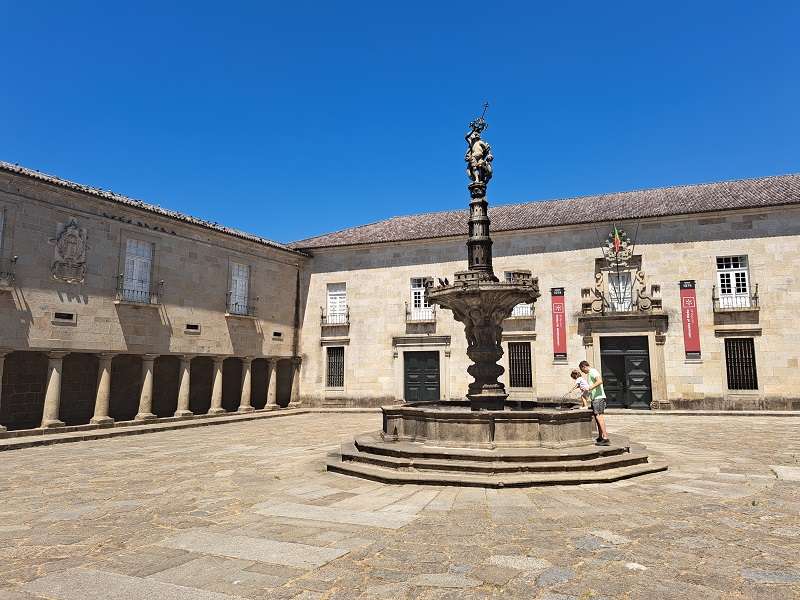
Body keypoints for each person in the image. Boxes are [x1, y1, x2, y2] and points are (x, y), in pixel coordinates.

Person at [579, 360, 610, 445]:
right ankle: (600, 437)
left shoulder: (593, 371)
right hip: (595, 398)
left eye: (583, 370)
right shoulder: (589, 374)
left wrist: (589, 387)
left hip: (598, 398)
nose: (583, 372)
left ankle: (606, 438)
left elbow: (599, 381)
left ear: (584, 367)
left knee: (599, 417)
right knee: (597, 418)